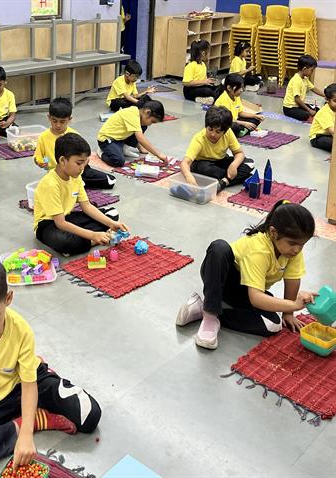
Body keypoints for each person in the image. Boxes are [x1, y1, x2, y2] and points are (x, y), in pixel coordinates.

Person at [0, 258, 101, 470]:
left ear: (8, 298)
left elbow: (29, 384)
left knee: (90, 415)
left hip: (25, 384)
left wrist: (26, 435)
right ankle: (38, 418)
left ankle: (42, 385)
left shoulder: (21, 329)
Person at [176, 201, 317, 350]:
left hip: (246, 289)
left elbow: (293, 280)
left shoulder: (292, 251)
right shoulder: (259, 249)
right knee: (219, 247)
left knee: (273, 325)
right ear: (273, 233)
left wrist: (288, 313)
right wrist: (293, 304)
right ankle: (210, 315)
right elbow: (256, 298)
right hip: (220, 279)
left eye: (302, 244)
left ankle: (204, 309)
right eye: (292, 243)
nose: (297, 250)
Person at [34, 133, 128, 256]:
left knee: (112, 215)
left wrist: (111, 224)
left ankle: (88, 239)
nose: (82, 167)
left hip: (67, 217)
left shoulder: (75, 176)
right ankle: (91, 239)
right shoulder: (50, 184)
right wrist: (93, 235)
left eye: (85, 163)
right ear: (62, 161)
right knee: (66, 242)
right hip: (48, 225)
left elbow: (87, 206)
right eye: (79, 163)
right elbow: (60, 223)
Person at [34, 97, 116, 189]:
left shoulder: (74, 135)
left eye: (62, 121)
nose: (58, 125)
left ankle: (83, 181)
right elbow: (37, 158)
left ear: (69, 119)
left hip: (78, 170)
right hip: (57, 174)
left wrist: (80, 167)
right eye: (54, 121)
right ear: (49, 117)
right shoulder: (43, 137)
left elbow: (84, 158)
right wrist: (40, 163)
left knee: (110, 181)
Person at [180, 106, 254, 192]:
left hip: (220, 161)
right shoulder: (199, 139)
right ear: (206, 126)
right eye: (210, 129)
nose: (213, 134)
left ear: (225, 131)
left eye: (218, 132)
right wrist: (189, 177)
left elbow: (239, 153)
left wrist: (233, 165)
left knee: (249, 162)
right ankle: (236, 178)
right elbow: (185, 163)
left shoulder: (228, 133)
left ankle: (223, 182)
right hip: (203, 164)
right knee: (203, 169)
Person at [97, 97, 168, 167]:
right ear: (147, 112)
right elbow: (140, 138)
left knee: (143, 126)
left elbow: (137, 134)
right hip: (107, 140)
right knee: (118, 161)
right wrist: (158, 154)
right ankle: (101, 153)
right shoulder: (132, 114)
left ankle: (124, 148)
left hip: (120, 138)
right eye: (152, 121)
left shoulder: (138, 114)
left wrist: (140, 148)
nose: (150, 124)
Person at [282, 55, 324, 122]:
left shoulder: (305, 79)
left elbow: (314, 89)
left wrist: (326, 95)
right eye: (312, 70)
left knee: (316, 108)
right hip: (290, 108)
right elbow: (297, 99)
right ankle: (310, 117)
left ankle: (310, 114)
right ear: (304, 69)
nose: (312, 72)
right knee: (306, 114)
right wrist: (309, 110)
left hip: (298, 105)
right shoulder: (296, 80)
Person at [182, 39, 218, 104]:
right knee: (208, 91)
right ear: (203, 53)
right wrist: (204, 81)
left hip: (201, 87)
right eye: (208, 52)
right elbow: (186, 83)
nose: (209, 54)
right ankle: (205, 98)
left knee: (218, 88)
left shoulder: (203, 64)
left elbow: (203, 80)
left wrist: (209, 81)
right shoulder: (190, 65)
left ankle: (209, 98)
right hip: (190, 90)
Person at [309, 83, 336, 152]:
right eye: (335, 101)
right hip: (318, 137)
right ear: (327, 100)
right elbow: (333, 131)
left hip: (330, 134)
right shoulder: (324, 112)